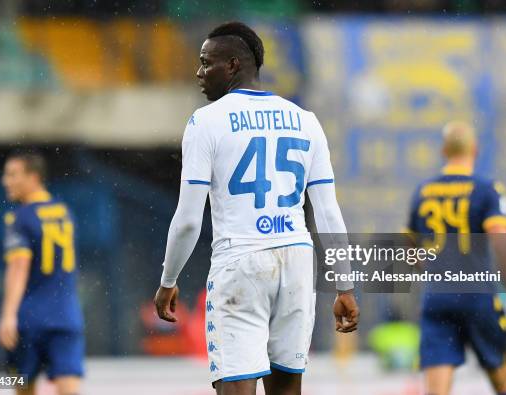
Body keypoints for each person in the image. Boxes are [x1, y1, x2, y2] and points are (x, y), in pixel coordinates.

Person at [153, 21, 359, 395]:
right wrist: (344, 284)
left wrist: (169, 279)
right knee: (286, 388)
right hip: (297, 261)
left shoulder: (206, 122)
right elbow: (328, 212)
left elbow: (187, 221)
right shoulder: (305, 121)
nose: (199, 73)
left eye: (206, 62)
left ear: (232, 65)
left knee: (236, 387)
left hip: (240, 260)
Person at [406, 121, 506, 395]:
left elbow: (410, 252)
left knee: (437, 391)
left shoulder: (423, 191)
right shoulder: (486, 189)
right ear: (476, 150)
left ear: (443, 150)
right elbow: (501, 242)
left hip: (437, 298)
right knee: (505, 385)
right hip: (477, 296)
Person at [0, 151, 84, 395]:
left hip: (30, 318)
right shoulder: (65, 213)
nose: (6, 180)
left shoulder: (20, 218)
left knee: (25, 389)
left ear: (33, 177)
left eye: (13, 174)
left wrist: (7, 315)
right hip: (67, 316)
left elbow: (18, 267)